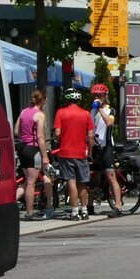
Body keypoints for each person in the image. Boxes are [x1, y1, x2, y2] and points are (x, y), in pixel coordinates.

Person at [54, 87, 93, 220]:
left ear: (67, 99)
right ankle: (84, 210)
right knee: (82, 183)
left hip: (66, 152)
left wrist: (62, 139)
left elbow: (58, 133)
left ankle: (75, 212)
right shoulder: (86, 114)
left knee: (71, 182)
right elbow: (91, 136)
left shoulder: (61, 112)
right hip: (81, 152)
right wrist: (90, 152)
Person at [14, 88, 52, 220]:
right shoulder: (40, 115)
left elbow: (16, 130)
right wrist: (45, 155)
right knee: (31, 182)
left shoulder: (24, 112)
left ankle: (10, 202)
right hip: (33, 149)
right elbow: (40, 137)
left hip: (22, 148)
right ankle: (29, 212)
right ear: (43, 100)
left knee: (26, 181)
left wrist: (25, 134)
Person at [91, 84, 123, 217]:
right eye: (95, 96)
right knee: (91, 177)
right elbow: (90, 126)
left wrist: (100, 108)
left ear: (105, 96)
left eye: (100, 95)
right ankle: (89, 204)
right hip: (95, 147)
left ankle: (118, 206)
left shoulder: (111, 110)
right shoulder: (92, 110)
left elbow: (109, 123)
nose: (97, 98)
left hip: (107, 147)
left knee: (111, 176)